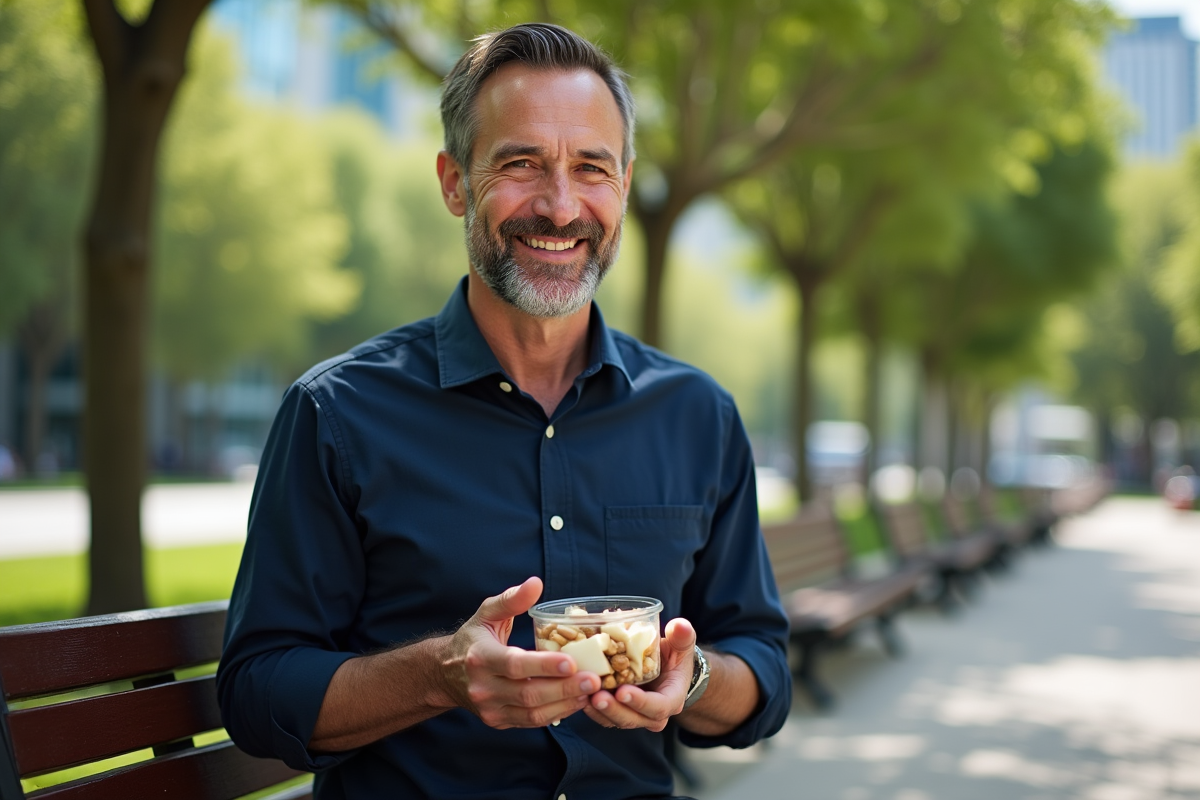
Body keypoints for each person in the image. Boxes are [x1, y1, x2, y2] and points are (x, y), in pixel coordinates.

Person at [216, 22, 790, 800]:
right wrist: (439, 677)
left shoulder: (699, 415)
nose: (560, 207)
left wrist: (692, 680)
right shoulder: (337, 414)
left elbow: (762, 667)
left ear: (622, 184)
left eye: (591, 168)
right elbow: (257, 692)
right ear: (455, 182)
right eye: (522, 164)